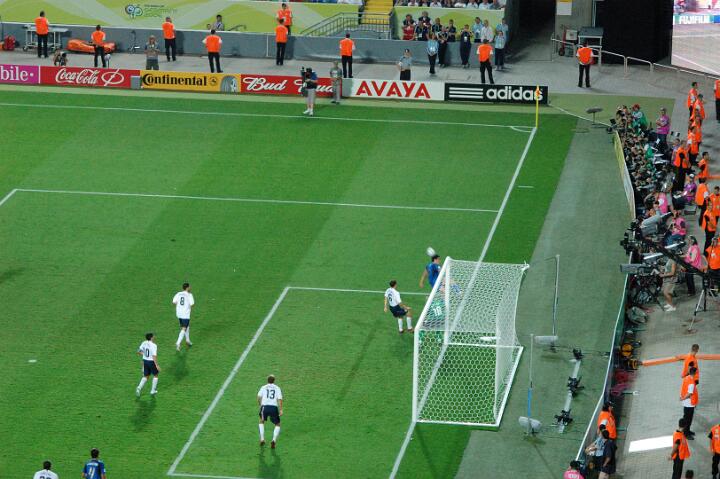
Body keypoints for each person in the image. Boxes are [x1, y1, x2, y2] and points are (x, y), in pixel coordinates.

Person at [258, 375, 283, 449]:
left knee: (261, 421)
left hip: (264, 407)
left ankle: (262, 439)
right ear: (274, 380)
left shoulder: (263, 387)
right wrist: (281, 409)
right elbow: (280, 399)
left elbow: (258, 397)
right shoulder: (277, 388)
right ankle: (273, 440)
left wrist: (260, 405)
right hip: (273, 408)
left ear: (267, 380)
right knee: (277, 424)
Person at [173, 282, 195, 351]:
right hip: (185, 314)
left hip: (179, 313)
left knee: (186, 326)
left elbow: (174, 302)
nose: (190, 288)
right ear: (187, 288)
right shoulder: (189, 295)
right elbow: (192, 304)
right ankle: (178, 342)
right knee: (184, 328)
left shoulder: (178, 293)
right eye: (189, 287)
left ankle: (188, 340)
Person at [681, 366, 699, 439]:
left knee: (686, 417)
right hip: (689, 403)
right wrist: (683, 398)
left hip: (686, 403)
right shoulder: (691, 382)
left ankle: (687, 431)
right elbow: (689, 394)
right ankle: (686, 434)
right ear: (694, 373)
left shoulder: (686, 378)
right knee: (688, 419)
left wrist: (682, 398)